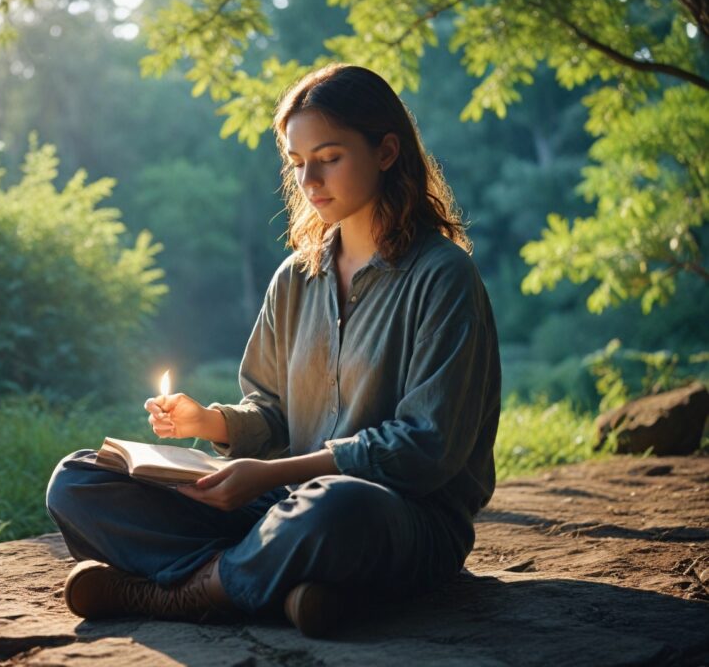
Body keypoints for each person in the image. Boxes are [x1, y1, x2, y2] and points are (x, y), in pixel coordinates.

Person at [45, 63, 501, 638]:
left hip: (398, 521)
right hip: (283, 509)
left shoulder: (443, 277)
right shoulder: (295, 278)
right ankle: (284, 587)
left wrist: (268, 476)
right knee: (79, 479)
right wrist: (210, 423)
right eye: (297, 162)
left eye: (329, 157)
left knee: (338, 508)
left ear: (386, 151)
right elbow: (272, 411)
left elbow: (424, 449)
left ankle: (182, 595)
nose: (310, 181)